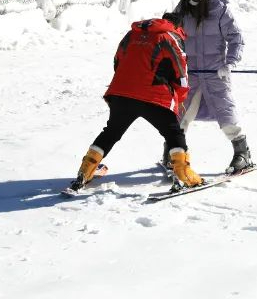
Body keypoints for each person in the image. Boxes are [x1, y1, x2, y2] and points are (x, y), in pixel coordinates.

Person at [70, 14, 203, 192]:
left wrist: (125, 86)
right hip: (154, 95)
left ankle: (85, 171)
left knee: (111, 132)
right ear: (177, 25)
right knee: (173, 133)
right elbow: (181, 72)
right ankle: (183, 174)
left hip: (121, 93)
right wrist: (179, 97)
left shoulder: (131, 34)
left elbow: (118, 61)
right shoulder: (170, 36)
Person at [169, 0, 254, 174]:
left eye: (195, 0)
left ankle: (242, 153)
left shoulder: (221, 11)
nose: (192, 4)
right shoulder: (181, 9)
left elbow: (236, 38)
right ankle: (173, 153)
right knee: (181, 116)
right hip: (189, 75)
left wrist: (230, 64)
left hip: (216, 73)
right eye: (188, 0)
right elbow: (171, 38)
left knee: (226, 112)